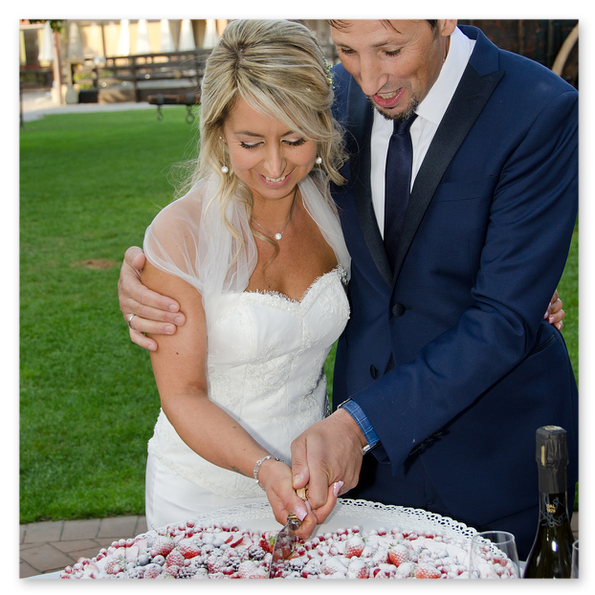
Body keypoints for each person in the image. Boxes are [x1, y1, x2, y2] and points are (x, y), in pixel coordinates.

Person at [119, 19, 577, 557]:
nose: (369, 78)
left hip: (489, 453)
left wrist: (520, 297)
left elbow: (503, 313)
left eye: (391, 49)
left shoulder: (538, 108)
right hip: (355, 474)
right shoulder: (327, 95)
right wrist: (148, 277)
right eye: (347, 51)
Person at [134, 18, 350, 534]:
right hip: (200, 493)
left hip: (311, 484)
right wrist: (264, 468)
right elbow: (182, 394)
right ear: (219, 134)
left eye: (295, 139)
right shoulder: (180, 234)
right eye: (251, 142)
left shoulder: (337, 210)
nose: (275, 165)